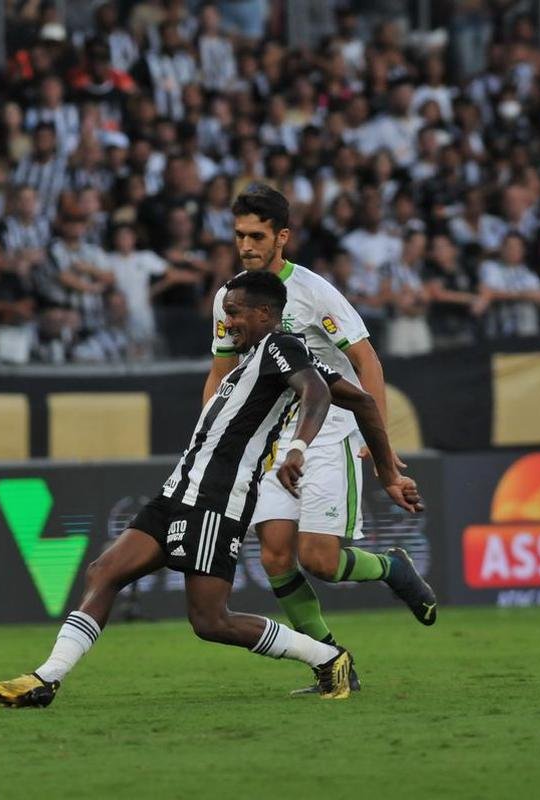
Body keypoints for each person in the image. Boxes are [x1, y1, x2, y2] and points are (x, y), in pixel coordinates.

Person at [0, 270, 423, 707]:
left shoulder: (282, 346)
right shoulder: (255, 359)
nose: (227, 322)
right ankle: (47, 678)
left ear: (265, 313)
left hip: (216, 499)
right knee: (105, 571)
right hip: (179, 491)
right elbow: (361, 400)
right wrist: (387, 471)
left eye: (234, 312)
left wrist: (299, 449)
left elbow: (319, 394)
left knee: (211, 621)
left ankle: (328, 658)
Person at [205, 185, 438, 696]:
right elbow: (221, 372)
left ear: (281, 237)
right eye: (239, 235)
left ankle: (392, 568)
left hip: (329, 431)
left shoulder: (314, 292)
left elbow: (366, 359)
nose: (245, 245)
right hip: (273, 437)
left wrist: (376, 439)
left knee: (320, 561)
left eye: (256, 236)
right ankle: (332, 664)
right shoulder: (230, 299)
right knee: (274, 556)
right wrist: (211, 437)